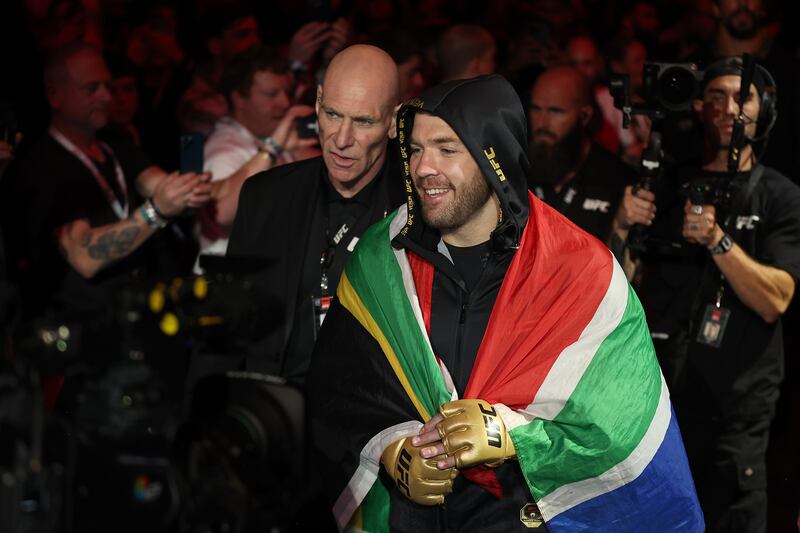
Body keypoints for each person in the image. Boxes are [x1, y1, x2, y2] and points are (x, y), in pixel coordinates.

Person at [307, 75, 702, 531]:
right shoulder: (379, 259)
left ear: (493, 157)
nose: (422, 167)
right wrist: (394, 451)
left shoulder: (581, 271)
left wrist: (511, 433)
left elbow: (624, 428)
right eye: (415, 149)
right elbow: (340, 392)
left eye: (447, 149)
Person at [634, 57, 800, 532]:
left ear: (763, 109)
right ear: (699, 108)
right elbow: (621, 284)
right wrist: (624, 227)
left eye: (741, 97)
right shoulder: (665, 187)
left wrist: (717, 240)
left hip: (734, 410)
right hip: (658, 401)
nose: (729, 108)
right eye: (716, 97)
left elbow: (777, 298)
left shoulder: (780, 196)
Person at [223, 44, 404, 383]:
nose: (342, 139)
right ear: (318, 103)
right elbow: (226, 331)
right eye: (333, 114)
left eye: (363, 121)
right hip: (274, 415)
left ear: (393, 123)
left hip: (368, 426)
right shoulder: (265, 197)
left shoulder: (416, 212)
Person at [1, 43, 210, 320]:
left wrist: (187, 190)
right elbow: (84, 256)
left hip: (142, 312)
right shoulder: (40, 165)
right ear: (55, 96)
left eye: (107, 86)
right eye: (92, 88)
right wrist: (156, 211)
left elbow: (160, 185)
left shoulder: (116, 145)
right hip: (84, 327)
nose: (106, 97)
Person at [196, 46, 318, 261]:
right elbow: (221, 214)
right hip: (231, 283)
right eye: (272, 94)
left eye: (286, 93)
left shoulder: (268, 136)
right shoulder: (224, 150)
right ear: (238, 99)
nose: (285, 103)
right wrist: (273, 148)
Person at [527, 66, 636, 244]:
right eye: (536, 109)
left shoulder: (617, 180)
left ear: (585, 116)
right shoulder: (515, 171)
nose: (542, 123)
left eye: (556, 111)